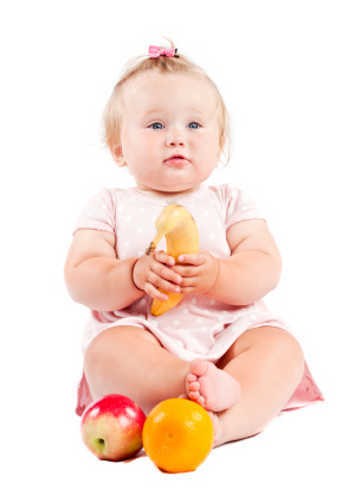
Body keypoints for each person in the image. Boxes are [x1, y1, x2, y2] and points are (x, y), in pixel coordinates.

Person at [64, 39, 324, 448]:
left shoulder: (229, 201)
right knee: (107, 352)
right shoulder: (109, 205)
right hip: (146, 334)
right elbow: (81, 277)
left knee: (281, 347)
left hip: (230, 332)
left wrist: (219, 274)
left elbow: (265, 264)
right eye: (156, 125)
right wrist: (131, 274)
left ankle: (221, 424)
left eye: (194, 125)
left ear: (219, 144)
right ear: (118, 149)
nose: (176, 138)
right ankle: (185, 384)